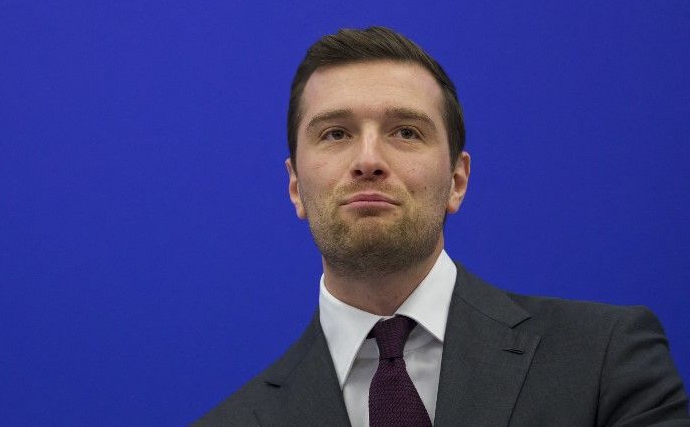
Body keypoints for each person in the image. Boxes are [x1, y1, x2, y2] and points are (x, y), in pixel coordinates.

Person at [197, 27, 689, 426]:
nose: (368, 160)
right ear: (296, 187)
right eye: (336, 133)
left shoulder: (605, 360)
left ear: (457, 180)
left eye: (406, 132)